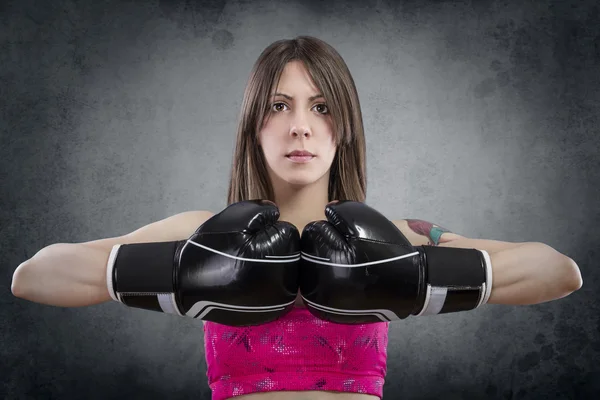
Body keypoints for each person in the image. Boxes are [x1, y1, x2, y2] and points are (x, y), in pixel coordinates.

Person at [11, 36, 582, 400]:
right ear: (254, 126)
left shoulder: (401, 238)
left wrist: (418, 274)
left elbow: (560, 272)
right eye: (279, 106)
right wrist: (184, 271)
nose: (300, 126)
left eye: (321, 106)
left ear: (344, 127)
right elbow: (33, 276)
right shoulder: (201, 234)